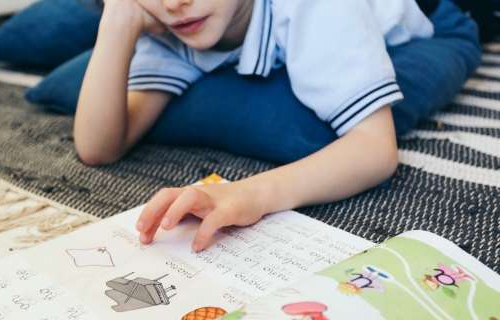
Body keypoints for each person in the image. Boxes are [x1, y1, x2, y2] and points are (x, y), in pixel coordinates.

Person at [74, 0, 480, 252]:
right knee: (54, 22)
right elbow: (98, 147)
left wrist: (250, 193)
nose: (175, 2)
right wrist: (117, 21)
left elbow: (375, 149)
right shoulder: (176, 22)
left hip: (431, 17)